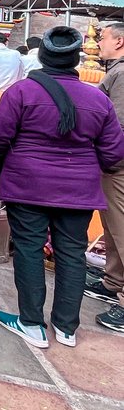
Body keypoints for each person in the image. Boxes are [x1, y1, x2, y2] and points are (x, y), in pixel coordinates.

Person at [0, 27, 124, 348]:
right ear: (76, 59)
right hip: (78, 190)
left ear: (43, 57)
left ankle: (31, 323)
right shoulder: (97, 99)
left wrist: (15, 156)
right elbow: (114, 152)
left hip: (27, 185)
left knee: (30, 250)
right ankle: (66, 328)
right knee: (72, 253)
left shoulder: (21, 93)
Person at [89, 22, 124, 331]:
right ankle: (113, 281)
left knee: (122, 229)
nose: (98, 44)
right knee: (113, 226)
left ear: (120, 41)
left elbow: (119, 125)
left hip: (119, 164)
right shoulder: (116, 71)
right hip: (112, 163)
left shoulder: (122, 74)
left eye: (103, 39)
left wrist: (107, 157)